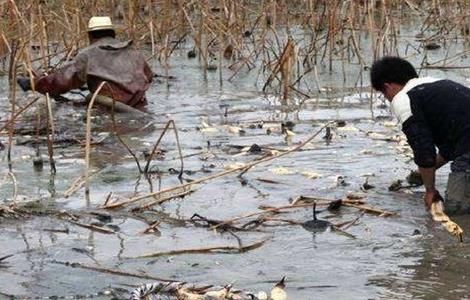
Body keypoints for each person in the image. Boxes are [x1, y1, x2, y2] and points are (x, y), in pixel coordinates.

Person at [370, 56, 470, 214]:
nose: (387, 99)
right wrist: (422, 173)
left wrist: (430, 190)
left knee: (457, 212)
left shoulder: (403, 99)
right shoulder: (437, 84)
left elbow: (423, 150)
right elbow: (455, 142)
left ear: (387, 86)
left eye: (384, 93)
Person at [17, 16, 153, 111]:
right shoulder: (135, 53)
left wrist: (32, 84)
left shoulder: (88, 54)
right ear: (113, 34)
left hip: (110, 111)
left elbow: (62, 81)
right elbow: (149, 77)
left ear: (90, 35)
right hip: (140, 108)